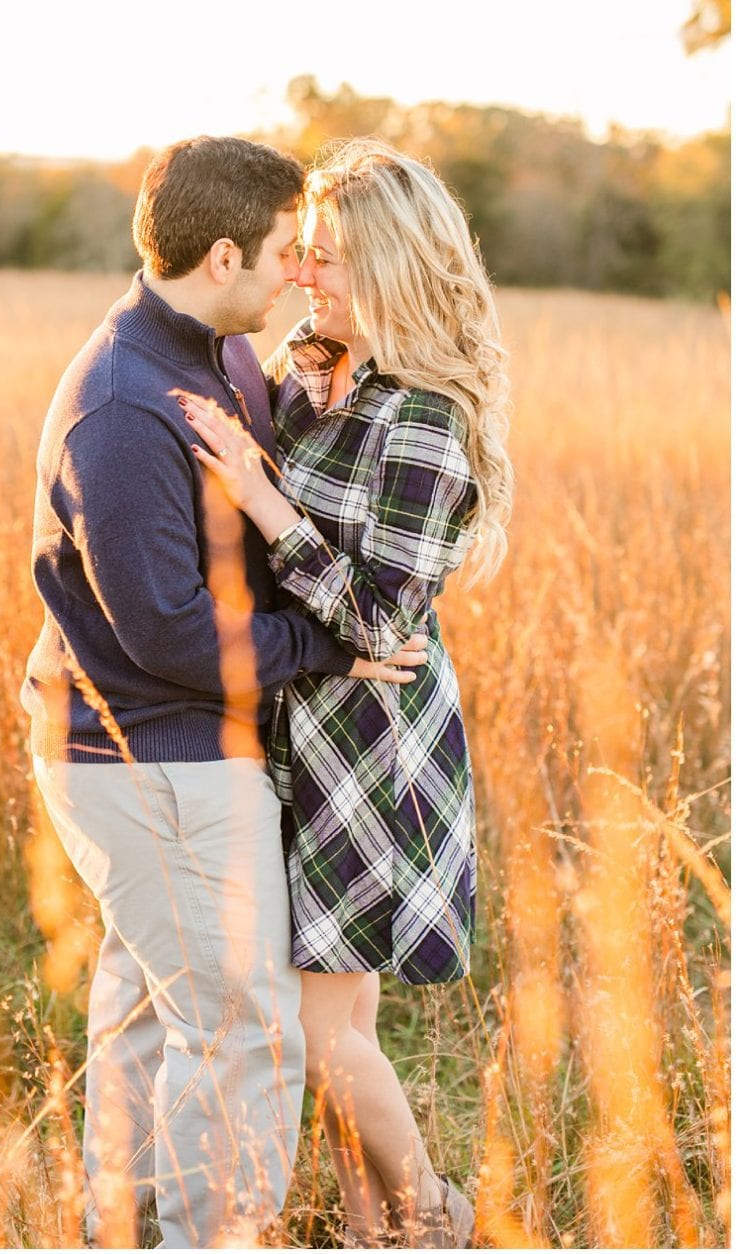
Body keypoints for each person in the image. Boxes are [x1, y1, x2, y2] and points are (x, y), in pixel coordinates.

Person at [21, 135, 429, 1248]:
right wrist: (329, 650)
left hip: (169, 745)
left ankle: (130, 1223)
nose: (297, 272)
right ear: (218, 256)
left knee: (155, 1008)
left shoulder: (216, 350)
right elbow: (166, 633)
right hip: (154, 751)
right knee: (244, 1028)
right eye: (282, 254)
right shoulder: (125, 405)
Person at [180, 139, 510, 1248]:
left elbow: (383, 622)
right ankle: (375, 1231)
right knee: (343, 1013)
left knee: (321, 1030)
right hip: (303, 728)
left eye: (323, 258)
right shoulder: (322, 367)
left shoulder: (426, 420)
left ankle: (438, 1213)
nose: (302, 276)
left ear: (392, 269)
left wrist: (266, 503)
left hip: (371, 748)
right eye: (302, 255)